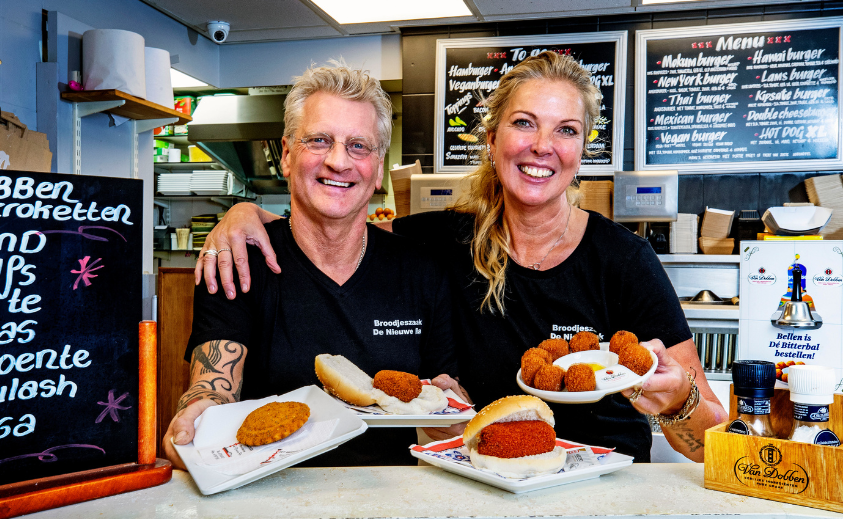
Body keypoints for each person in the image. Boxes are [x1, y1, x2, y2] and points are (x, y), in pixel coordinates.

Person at [196, 51, 726, 463]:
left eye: (566, 129)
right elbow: (337, 211)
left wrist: (679, 400)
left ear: (581, 149)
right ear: (492, 140)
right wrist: (244, 213)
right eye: (524, 123)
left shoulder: (623, 261)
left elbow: (708, 444)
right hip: (484, 480)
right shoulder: (443, 242)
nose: (543, 145)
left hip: (601, 486)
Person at [163, 61, 461, 470]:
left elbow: (444, 394)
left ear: (377, 170)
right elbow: (214, 387)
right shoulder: (240, 261)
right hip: (264, 492)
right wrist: (199, 411)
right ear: (286, 156)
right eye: (319, 140)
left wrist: (453, 410)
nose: (339, 161)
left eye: (359, 146)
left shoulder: (422, 270)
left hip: (393, 494)